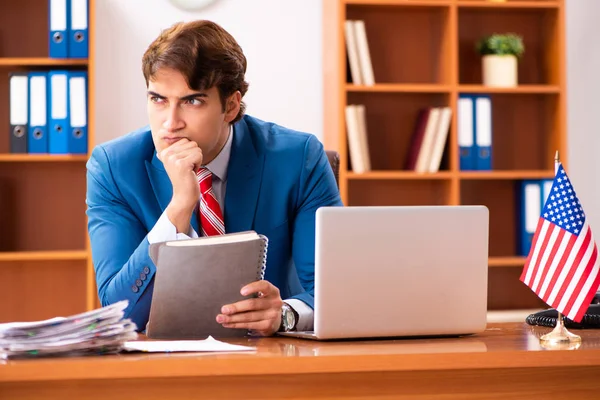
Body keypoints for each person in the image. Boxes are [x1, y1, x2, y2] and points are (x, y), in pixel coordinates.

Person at [86, 19, 342, 337]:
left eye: (192, 101)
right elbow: (120, 312)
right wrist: (179, 208)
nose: (170, 123)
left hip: (270, 357)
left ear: (231, 106)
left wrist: (284, 314)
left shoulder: (297, 158)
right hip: (160, 368)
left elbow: (334, 291)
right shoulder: (114, 167)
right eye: (158, 99)